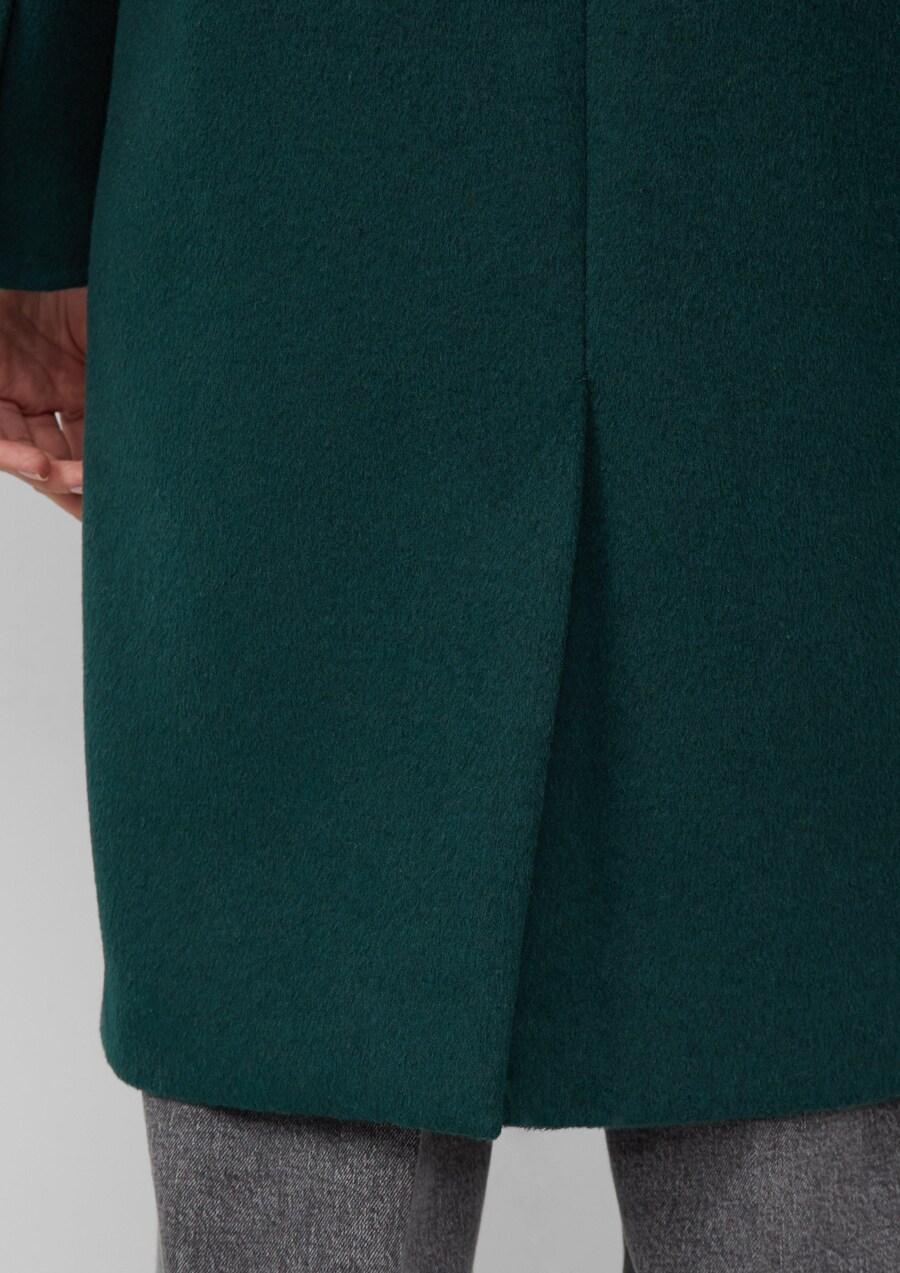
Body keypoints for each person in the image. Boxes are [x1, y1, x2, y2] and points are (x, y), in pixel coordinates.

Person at [2, 4, 898, 1270]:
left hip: (290, 189)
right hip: (806, 187)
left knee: (298, 1030)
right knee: (812, 1050)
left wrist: (31, 194)